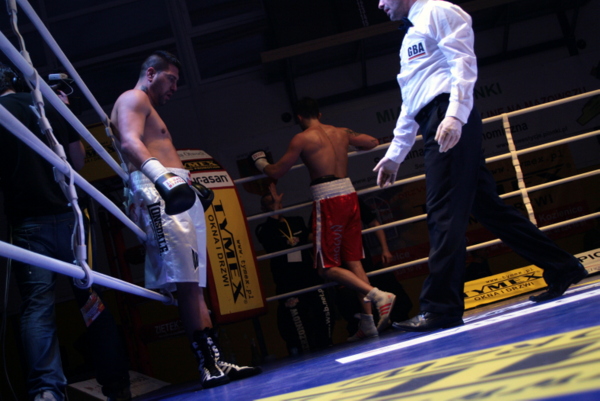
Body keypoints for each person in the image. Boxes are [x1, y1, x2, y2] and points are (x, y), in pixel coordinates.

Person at [373, 0, 588, 332]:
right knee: (489, 209)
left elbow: (463, 61)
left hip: (447, 116)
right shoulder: (410, 35)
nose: (379, 4)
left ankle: (441, 307)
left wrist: (455, 115)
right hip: (434, 117)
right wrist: (396, 153)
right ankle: (562, 267)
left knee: (443, 211)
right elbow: (411, 98)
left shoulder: (439, 10)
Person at [110, 50, 260, 388]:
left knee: (196, 285)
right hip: (161, 190)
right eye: (171, 79)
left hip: (175, 188)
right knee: (188, 285)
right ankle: (206, 364)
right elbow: (130, 142)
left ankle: (216, 359)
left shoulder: (145, 106)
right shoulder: (134, 98)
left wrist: (181, 181)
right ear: (151, 73)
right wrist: (164, 179)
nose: (175, 88)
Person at [0, 63, 131, 401]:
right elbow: (78, 159)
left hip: (30, 223)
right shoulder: (45, 102)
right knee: (90, 299)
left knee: (38, 307)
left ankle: (47, 391)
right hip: (71, 218)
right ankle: (117, 385)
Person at [250, 97, 397, 340]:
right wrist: (350, 147)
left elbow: (276, 171)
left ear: (299, 117)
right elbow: (372, 141)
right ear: (319, 114)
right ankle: (369, 323)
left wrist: (260, 161)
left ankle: (378, 294)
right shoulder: (342, 132)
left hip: (329, 199)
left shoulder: (302, 138)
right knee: (353, 261)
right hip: (349, 195)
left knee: (325, 268)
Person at [255, 183, 333, 354]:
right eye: (271, 203)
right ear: (263, 209)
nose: (277, 205)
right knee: (298, 323)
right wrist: (275, 207)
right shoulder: (263, 229)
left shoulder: (296, 221)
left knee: (324, 311)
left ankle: (328, 346)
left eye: (278, 202)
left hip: (309, 276)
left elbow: (308, 237)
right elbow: (269, 241)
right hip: (288, 283)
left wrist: (326, 232)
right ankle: (306, 355)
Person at [335, 198, 413, 340]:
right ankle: (367, 324)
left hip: (355, 252)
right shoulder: (324, 204)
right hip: (339, 256)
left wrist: (385, 249)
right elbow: (311, 235)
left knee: (360, 281)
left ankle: (374, 318)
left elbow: (374, 222)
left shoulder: (351, 200)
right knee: (340, 282)